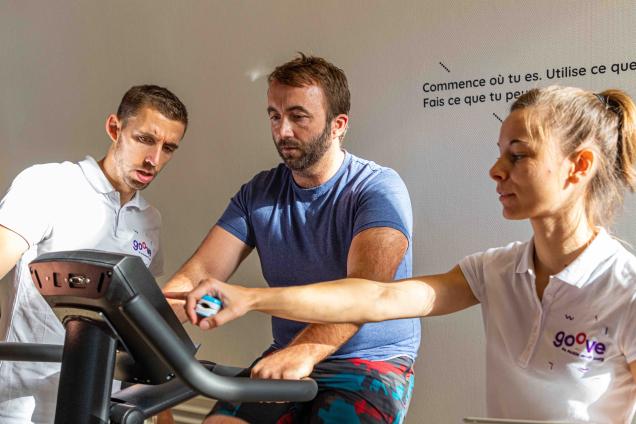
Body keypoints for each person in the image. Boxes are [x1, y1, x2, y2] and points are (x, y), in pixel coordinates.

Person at [182, 86, 636, 423]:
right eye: (500, 153)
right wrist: (251, 299)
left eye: (518, 156)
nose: (496, 170)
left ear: (579, 166)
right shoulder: (494, 270)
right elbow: (375, 298)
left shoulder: (626, 288)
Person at [163, 54, 420, 424]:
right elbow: (199, 274)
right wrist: (143, 328)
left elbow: (365, 289)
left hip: (369, 363)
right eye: (274, 116)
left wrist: (308, 350)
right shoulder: (259, 193)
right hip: (287, 354)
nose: (282, 131)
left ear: (338, 126)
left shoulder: (378, 188)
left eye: (298, 117)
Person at [0, 85, 188, 424]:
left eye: (169, 148)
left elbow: (143, 324)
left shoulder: (150, 221)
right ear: (115, 129)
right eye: (145, 139)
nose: (155, 159)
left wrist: (164, 413)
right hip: (20, 406)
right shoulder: (49, 184)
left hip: (101, 408)